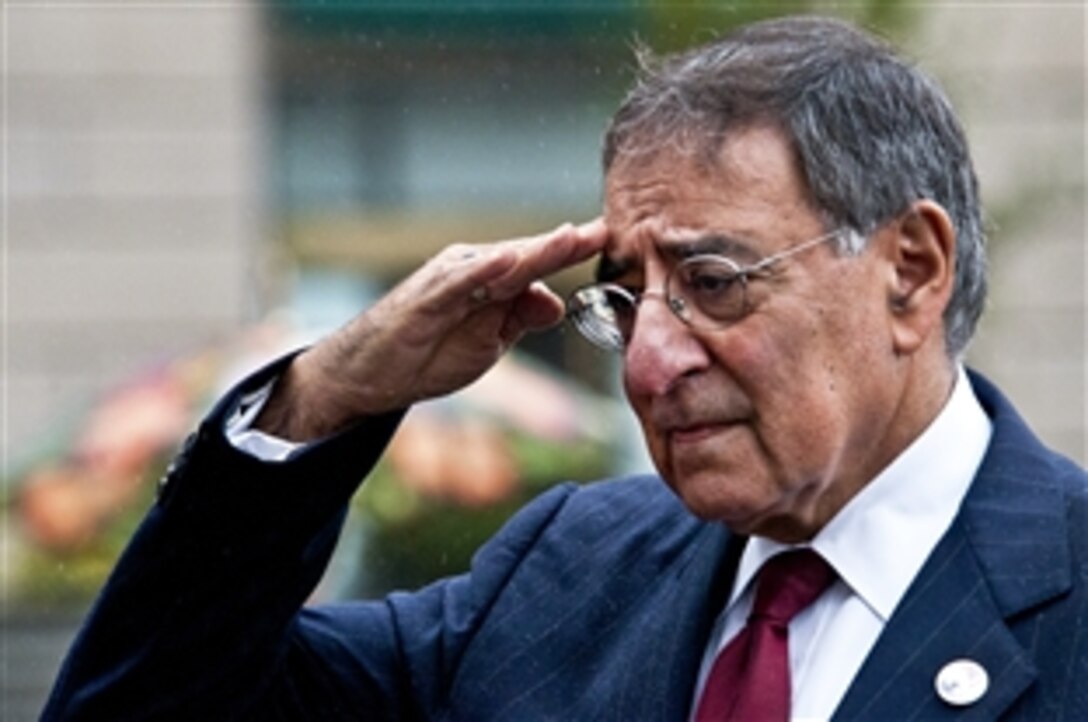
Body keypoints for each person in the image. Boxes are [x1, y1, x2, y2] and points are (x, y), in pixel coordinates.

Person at [44, 15, 1086, 721]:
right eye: (625, 295)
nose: (650, 358)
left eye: (714, 281)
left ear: (908, 270)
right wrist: (327, 396)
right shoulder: (569, 574)